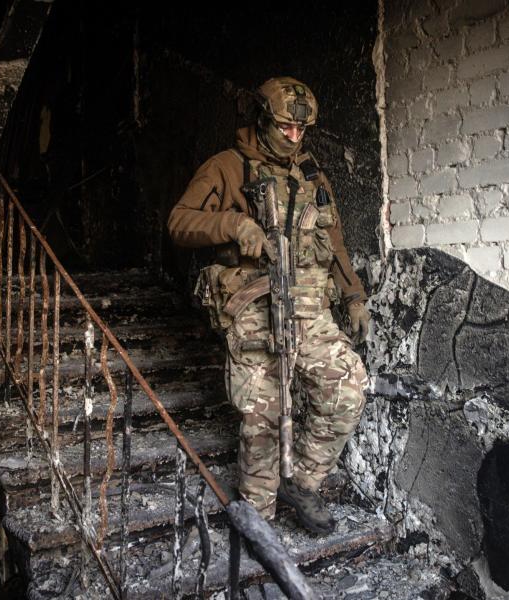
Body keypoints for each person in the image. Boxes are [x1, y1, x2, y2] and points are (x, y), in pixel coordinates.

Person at [167, 76, 370, 534]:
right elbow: (179, 222)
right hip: (255, 308)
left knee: (349, 388)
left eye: (303, 131)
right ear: (263, 120)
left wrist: (353, 295)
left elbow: (333, 241)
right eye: (285, 128)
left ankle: (302, 481)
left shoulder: (312, 173)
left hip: (311, 310)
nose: (295, 138)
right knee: (261, 417)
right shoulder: (226, 167)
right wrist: (233, 224)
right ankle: (257, 515)